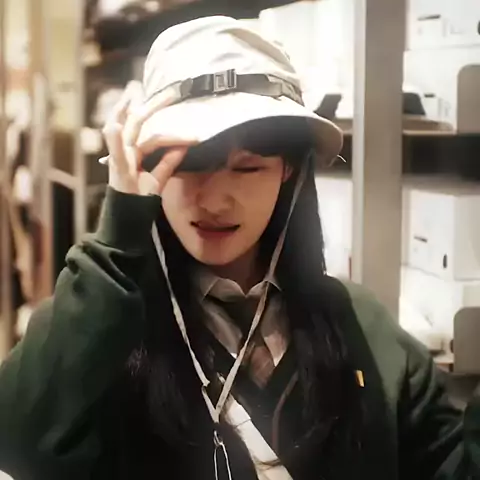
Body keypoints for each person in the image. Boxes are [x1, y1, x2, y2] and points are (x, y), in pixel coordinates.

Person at [0, 15, 479, 480]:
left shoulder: (363, 330)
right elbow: (17, 445)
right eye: (187, 166)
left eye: (248, 168)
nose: (215, 200)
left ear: (289, 170)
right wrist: (117, 239)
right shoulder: (102, 330)